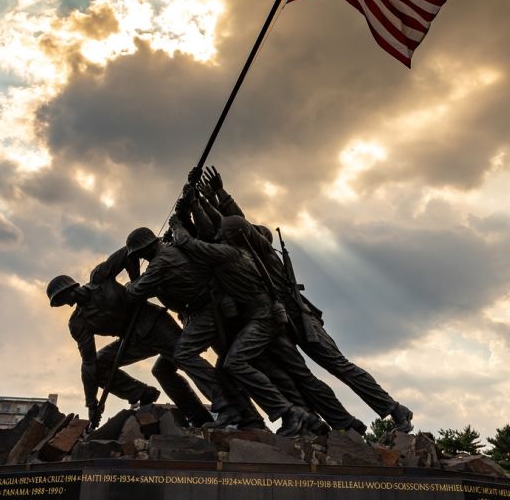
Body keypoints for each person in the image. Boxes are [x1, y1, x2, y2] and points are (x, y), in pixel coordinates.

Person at [197, 166, 414, 433]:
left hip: (300, 317)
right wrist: (205, 199)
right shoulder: (246, 255)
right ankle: (342, 424)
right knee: (303, 378)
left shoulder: (262, 251)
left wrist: (220, 195)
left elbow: (236, 222)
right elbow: (226, 228)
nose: (226, 238)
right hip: (283, 321)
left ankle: (394, 409)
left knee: (339, 366)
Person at [169, 212, 360, 436]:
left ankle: (306, 416)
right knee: (279, 376)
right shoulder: (242, 252)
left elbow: (190, 243)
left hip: (263, 320)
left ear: (230, 235)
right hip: (261, 320)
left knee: (249, 367)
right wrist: (194, 206)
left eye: (223, 231)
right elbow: (207, 234)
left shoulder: (230, 254)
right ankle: (308, 419)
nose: (218, 233)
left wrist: (177, 224)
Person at [47, 245, 211, 429]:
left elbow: (129, 252)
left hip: (155, 324)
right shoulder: (78, 323)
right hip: (133, 340)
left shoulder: (100, 277)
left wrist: (136, 284)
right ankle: (143, 394)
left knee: (185, 359)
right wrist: (91, 403)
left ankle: (230, 407)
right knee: (101, 364)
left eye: (62, 298)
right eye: (60, 303)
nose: (66, 303)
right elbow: (89, 363)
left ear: (70, 288)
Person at [122, 226, 263, 429]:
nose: (140, 257)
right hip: (197, 314)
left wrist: (131, 278)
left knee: (184, 354)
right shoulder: (162, 257)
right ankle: (205, 416)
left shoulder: (162, 261)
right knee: (163, 368)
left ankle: (227, 408)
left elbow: (134, 293)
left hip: (209, 310)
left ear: (146, 248)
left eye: (139, 253)